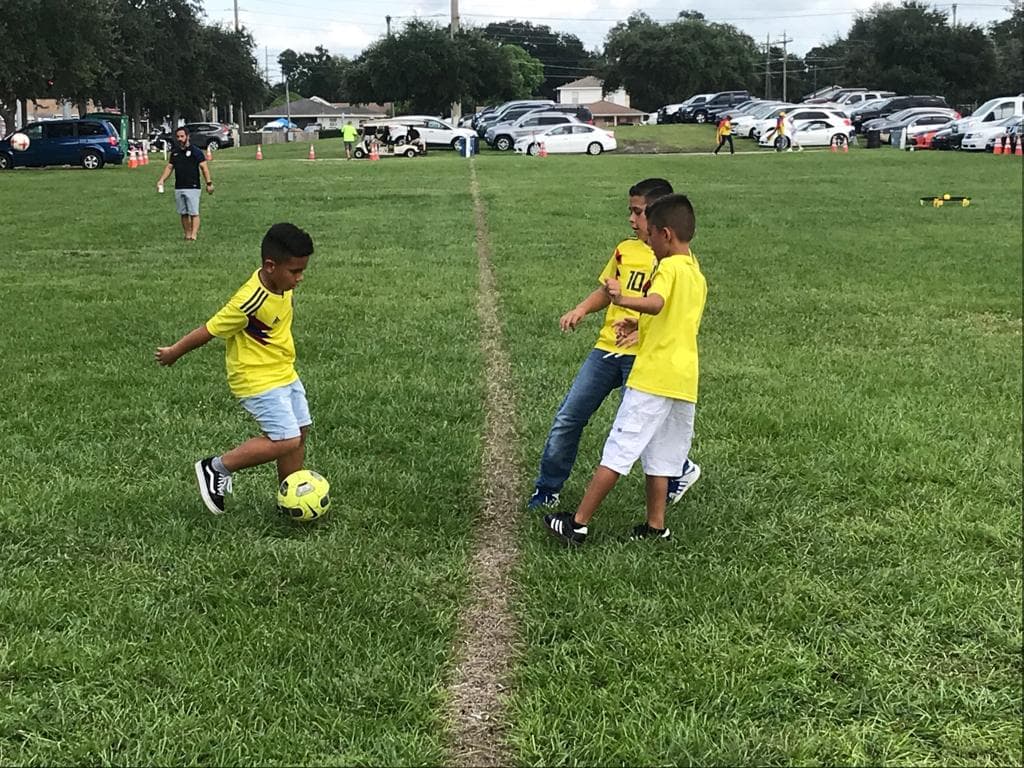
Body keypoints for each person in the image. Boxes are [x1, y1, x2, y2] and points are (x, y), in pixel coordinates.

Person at [527, 178, 701, 511]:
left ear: (658, 218)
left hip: (644, 359)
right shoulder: (625, 249)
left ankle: (678, 469)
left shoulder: (673, 260)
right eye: (631, 212)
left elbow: (673, 310)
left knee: (640, 430)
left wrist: (642, 330)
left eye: (638, 212)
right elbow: (608, 291)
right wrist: (581, 309)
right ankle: (548, 488)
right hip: (606, 349)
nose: (632, 220)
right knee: (569, 417)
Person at [155, 223, 315, 515]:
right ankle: (216, 468)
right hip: (255, 378)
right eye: (294, 271)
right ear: (270, 266)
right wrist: (174, 352)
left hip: (284, 371)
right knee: (285, 438)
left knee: (300, 432)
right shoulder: (248, 302)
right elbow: (209, 330)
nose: (299, 278)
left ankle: (290, 499)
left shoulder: (281, 285)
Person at [156, 126, 213, 241]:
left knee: (193, 212)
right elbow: (169, 167)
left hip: (193, 187)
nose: (180, 139)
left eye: (182, 136)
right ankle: (187, 234)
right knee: (183, 213)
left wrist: (209, 183)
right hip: (179, 187)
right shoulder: (175, 153)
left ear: (187, 137)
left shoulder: (196, 152)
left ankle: (194, 235)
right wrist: (162, 180)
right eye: (178, 137)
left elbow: (204, 168)